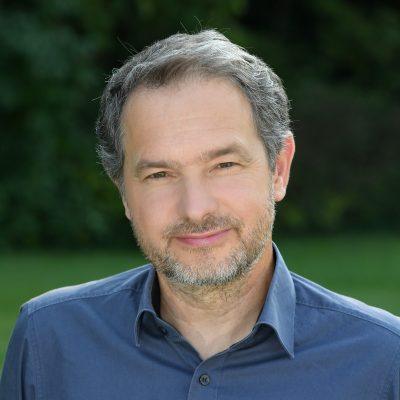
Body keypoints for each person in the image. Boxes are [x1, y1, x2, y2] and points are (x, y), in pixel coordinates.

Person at [1, 29, 399, 400]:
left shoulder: (383, 360)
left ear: (279, 169)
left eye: (224, 165)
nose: (195, 209)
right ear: (122, 190)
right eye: (159, 174)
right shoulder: (49, 341)